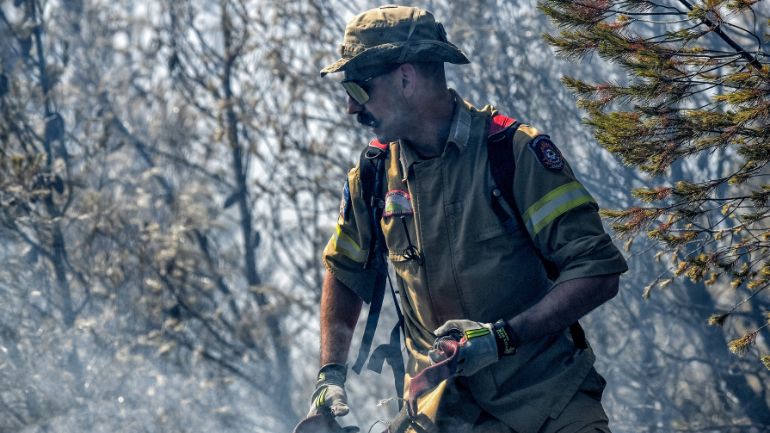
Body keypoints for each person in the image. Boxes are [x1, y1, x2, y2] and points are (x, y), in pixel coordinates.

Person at [308, 5, 628, 433]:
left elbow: (598, 271)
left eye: (359, 88)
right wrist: (330, 374)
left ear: (406, 79)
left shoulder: (513, 153)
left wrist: (502, 337)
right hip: (438, 414)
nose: (351, 107)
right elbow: (346, 272)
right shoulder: (372, 177)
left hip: (549, 403)